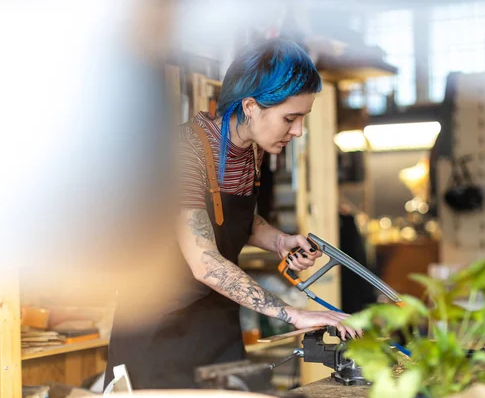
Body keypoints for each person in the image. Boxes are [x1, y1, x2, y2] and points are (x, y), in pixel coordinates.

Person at [104, 38, 359, 390]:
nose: (298, 130)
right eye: (290, 118)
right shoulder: (185, 152)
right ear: (251, 106)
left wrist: (280, 241)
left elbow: (237, 217)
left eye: (303, 118)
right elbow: (205, 261)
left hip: (215, 322)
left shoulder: (251, 152)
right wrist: (292, 313)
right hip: (157, 331)